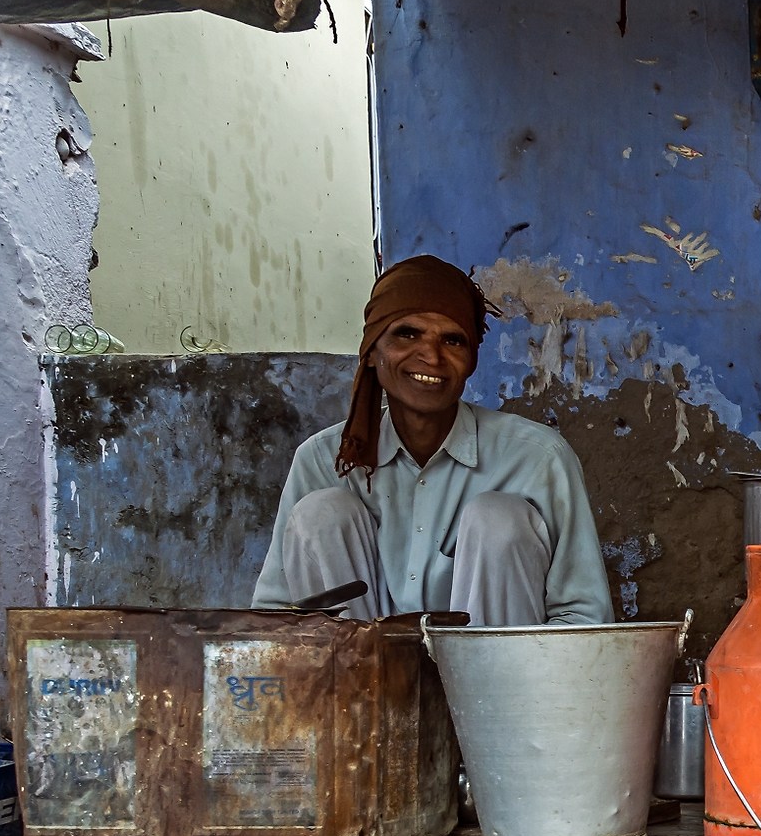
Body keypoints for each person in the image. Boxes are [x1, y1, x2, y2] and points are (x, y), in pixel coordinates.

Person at [252, 255, 611, 626]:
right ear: (372, 352)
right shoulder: (321, 459)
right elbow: (276, 619)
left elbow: (583, 616)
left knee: (499, 519)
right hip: (357, 662)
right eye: (407, 334)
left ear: (471, 361)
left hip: (496, 662)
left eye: (452, 340)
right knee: (321, 512)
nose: (431, 356)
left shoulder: (537, 457)